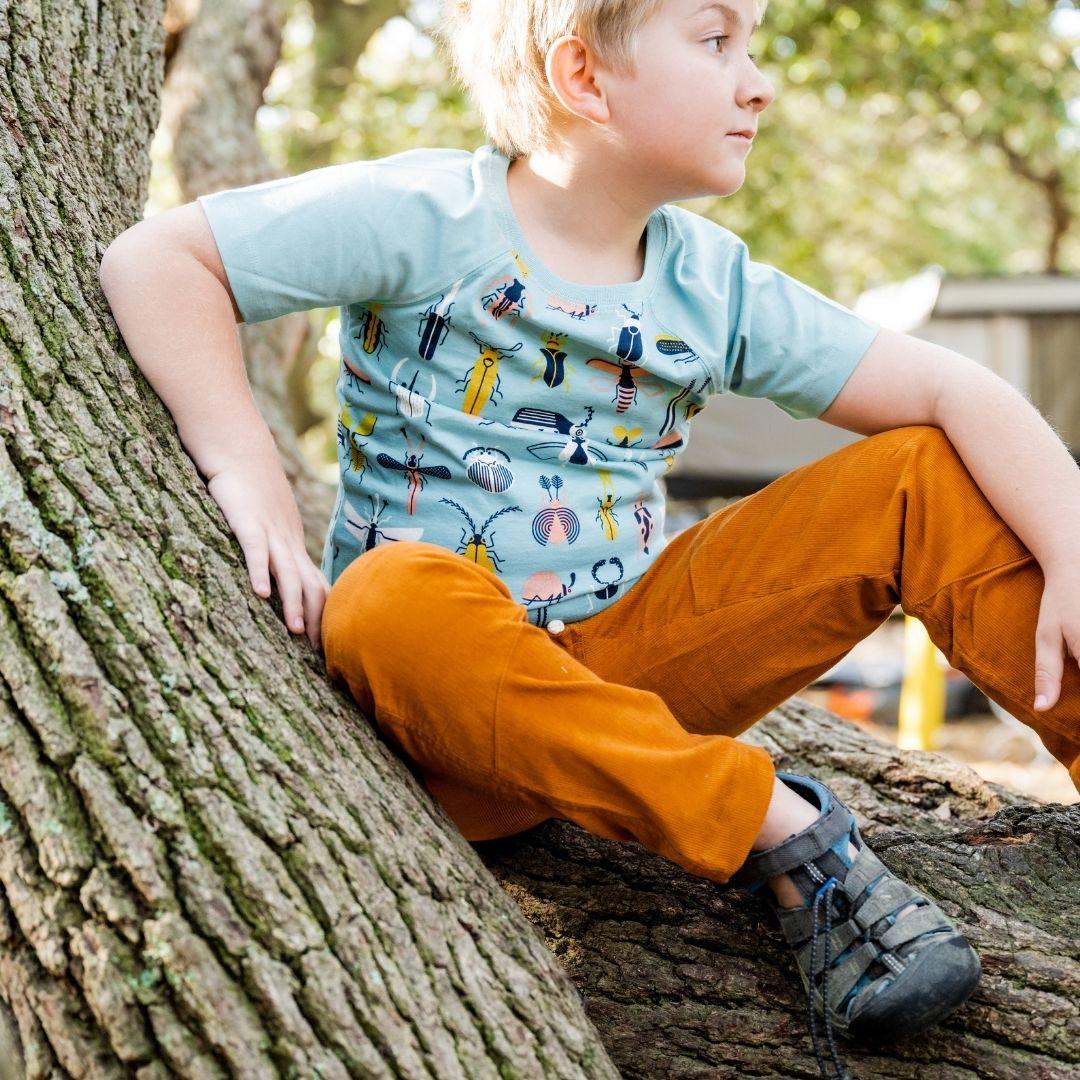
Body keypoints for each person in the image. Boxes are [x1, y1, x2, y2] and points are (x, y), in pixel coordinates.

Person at [99, 1, 1080, 1075]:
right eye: (718, 44)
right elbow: (160, 260)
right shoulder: (426, 213)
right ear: (583, 76)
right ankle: (776, 825)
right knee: (385, 598)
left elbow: (952, 387)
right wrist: (249, 470)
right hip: (456, 713)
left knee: (922, 474)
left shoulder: (712, 283)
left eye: (752, 48)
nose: (759, 82)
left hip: (631, 670)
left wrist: (1072, 549)